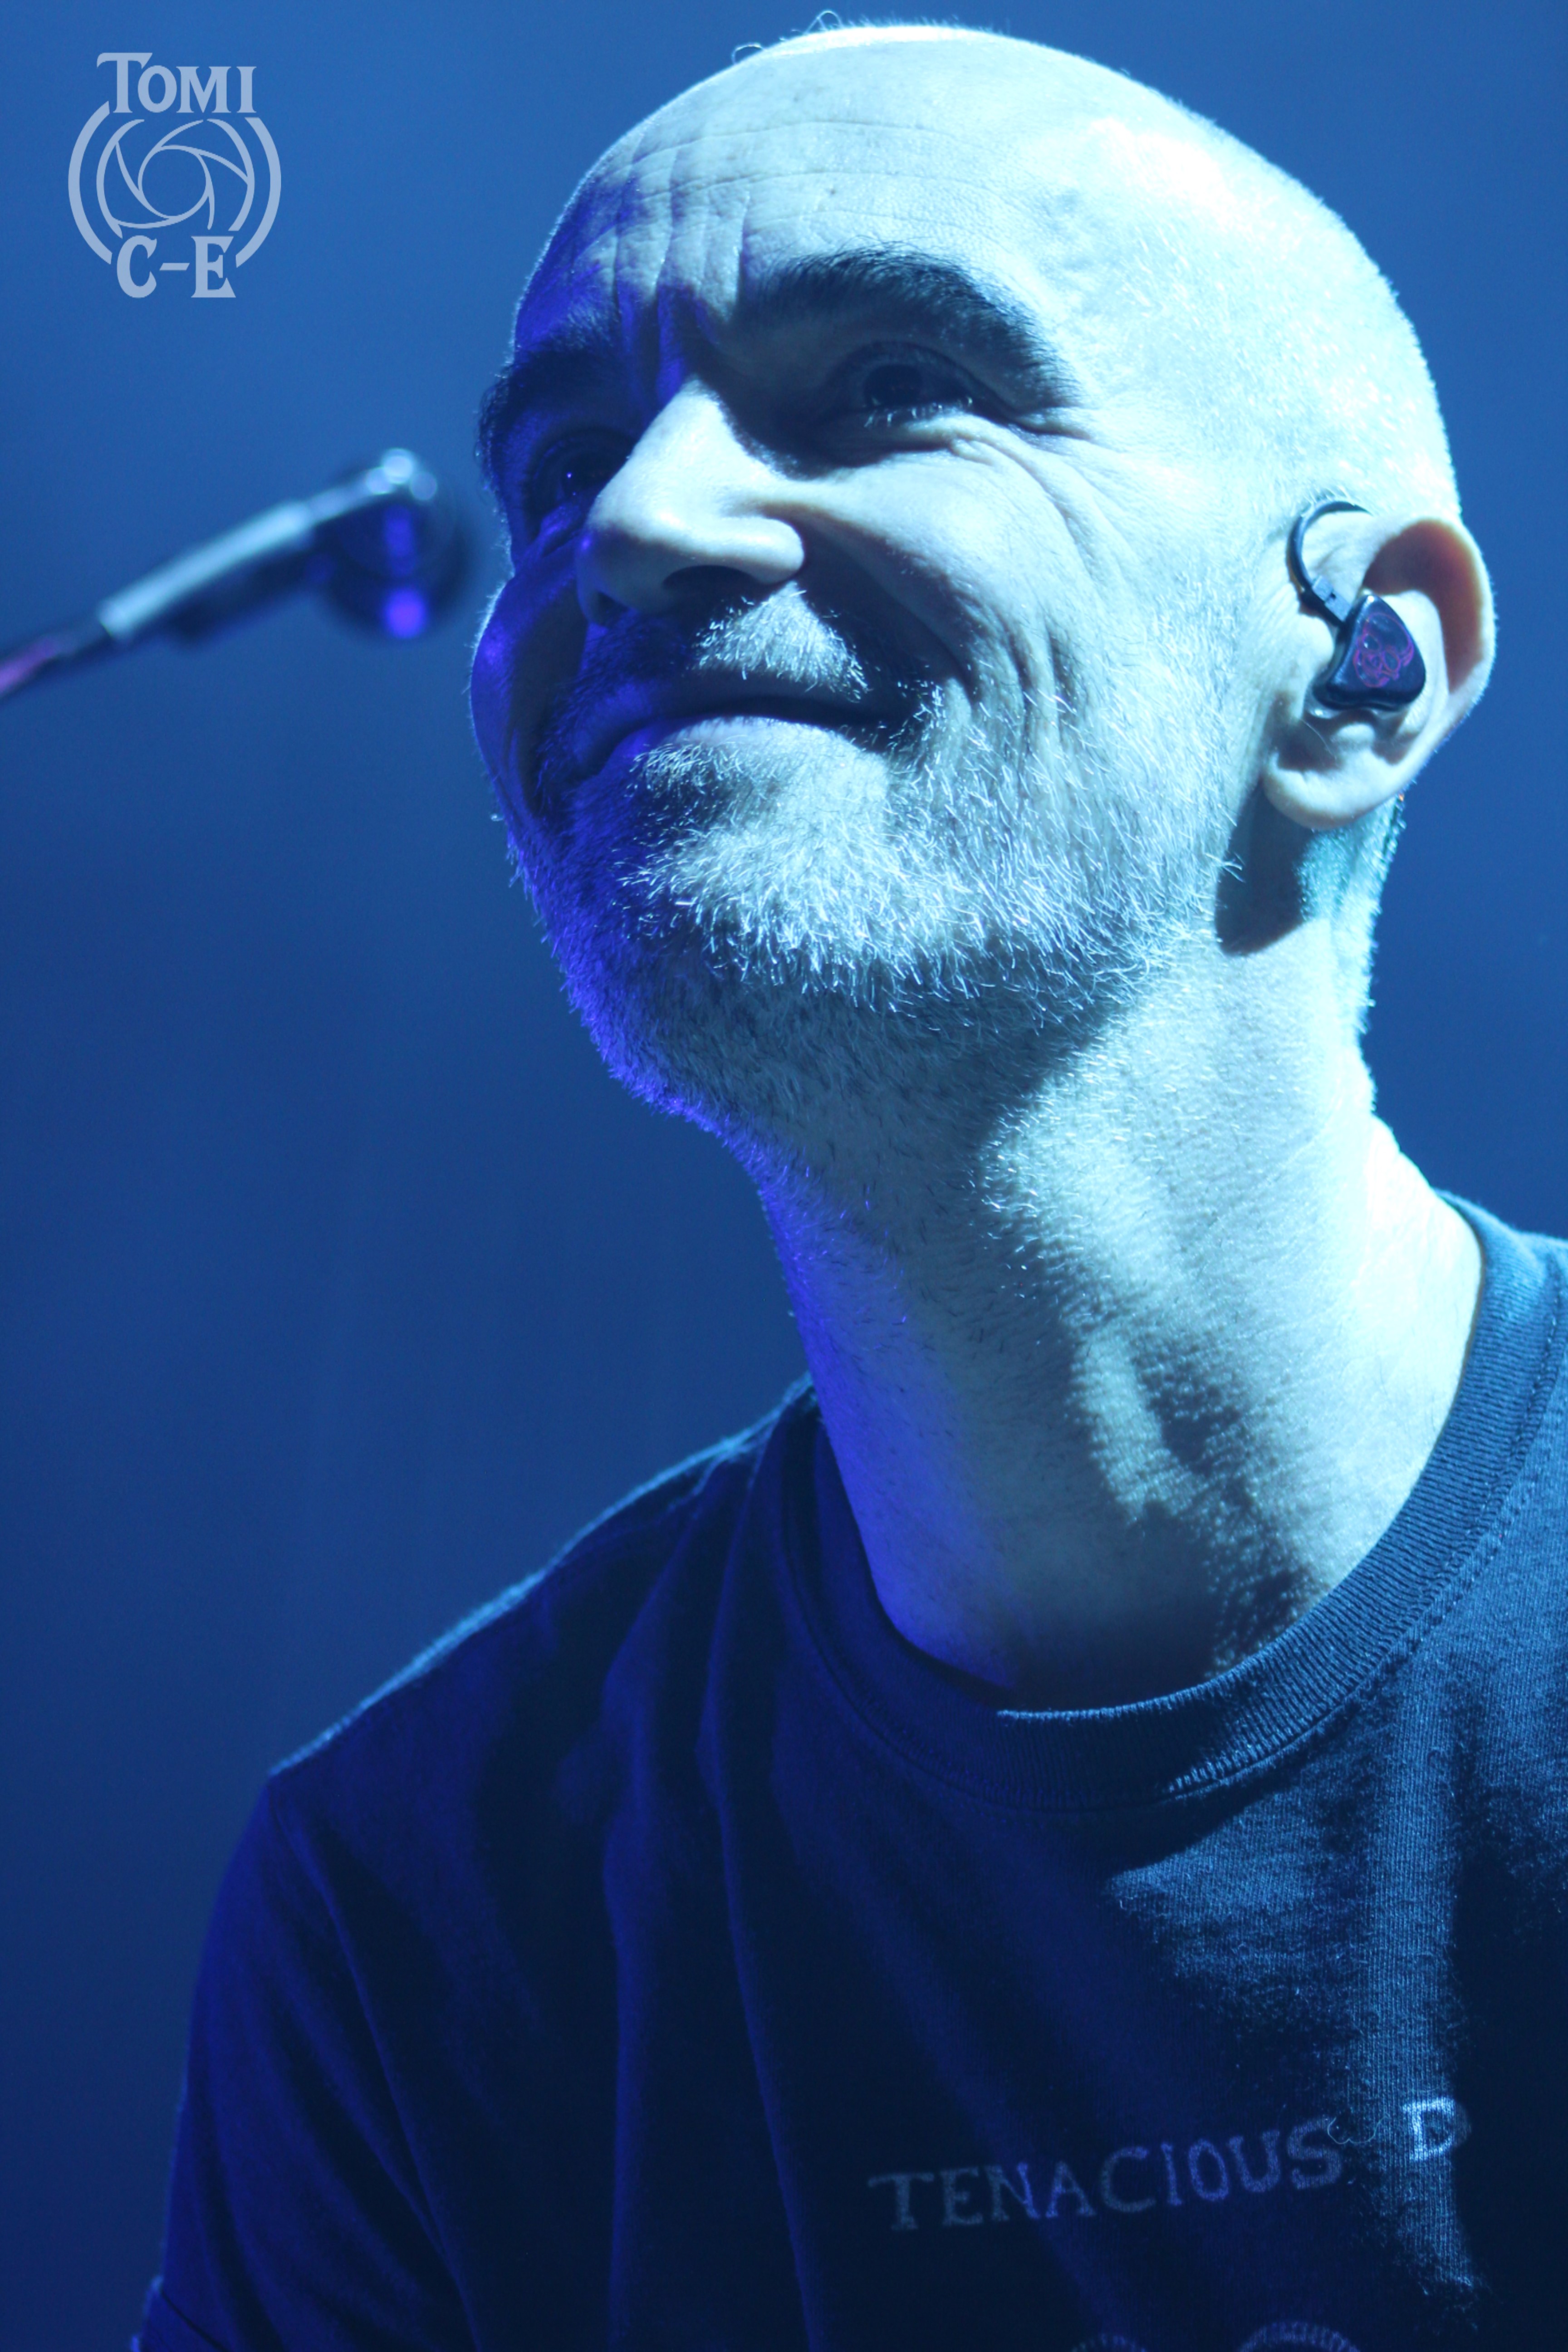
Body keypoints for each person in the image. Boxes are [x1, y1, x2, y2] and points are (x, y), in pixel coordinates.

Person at [136, 25, 1563, 2352]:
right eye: (564, 464)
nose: (635, 527)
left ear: (1362, 667)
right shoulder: (419, 1910)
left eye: (893, 389)